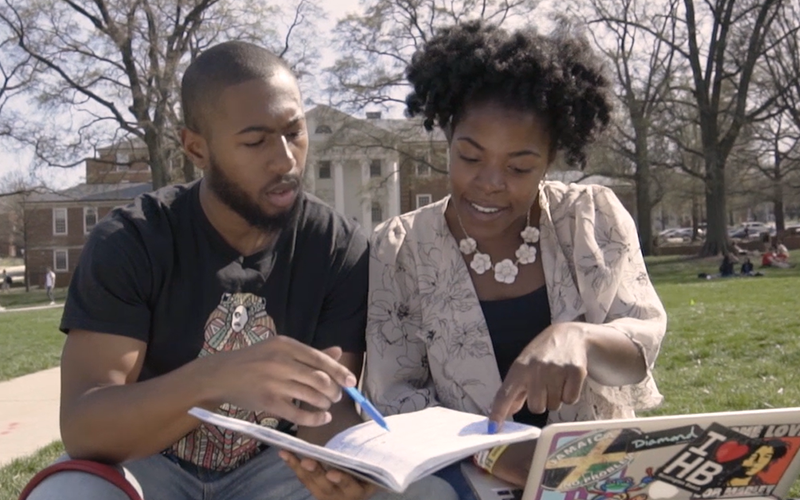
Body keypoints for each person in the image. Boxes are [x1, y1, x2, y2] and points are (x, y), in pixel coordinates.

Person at [21, 41, 455, 500]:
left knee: (422, 494)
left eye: (295, 132)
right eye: (255, 141)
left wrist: (341, 465)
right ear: (196, 148)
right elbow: (86, 427)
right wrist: (217, 377)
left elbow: (328, 411)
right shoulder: (133, 240)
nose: (286, 159)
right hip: (146, 461)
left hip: (279, 464)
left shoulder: (337, 248)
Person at [357, 21, 666, 498]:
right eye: (470, 157)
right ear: (448, 137)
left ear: (550, 159)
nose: (490, 182)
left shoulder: (590, 218)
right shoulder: (400, 247)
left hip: (594, 477)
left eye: (519, 167)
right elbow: (394, 396)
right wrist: (495, 453)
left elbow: (638, 353)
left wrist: (577, 337)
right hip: (460, 480)